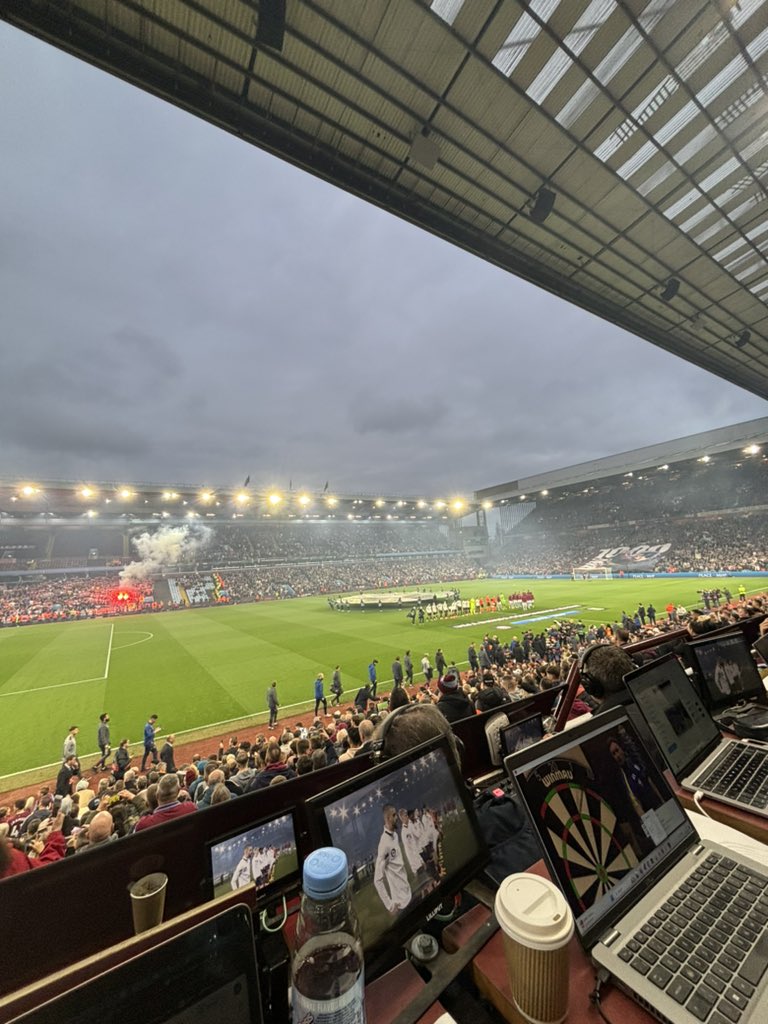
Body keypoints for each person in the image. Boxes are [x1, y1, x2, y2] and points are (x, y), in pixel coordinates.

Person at [373, 805, 412, 914]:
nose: (396, 818)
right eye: (394, 815)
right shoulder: (384, 845)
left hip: (408, 893)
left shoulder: (395, 835)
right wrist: (389, 905)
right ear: (387, 818)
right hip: (400, 904)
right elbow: (377, 880)